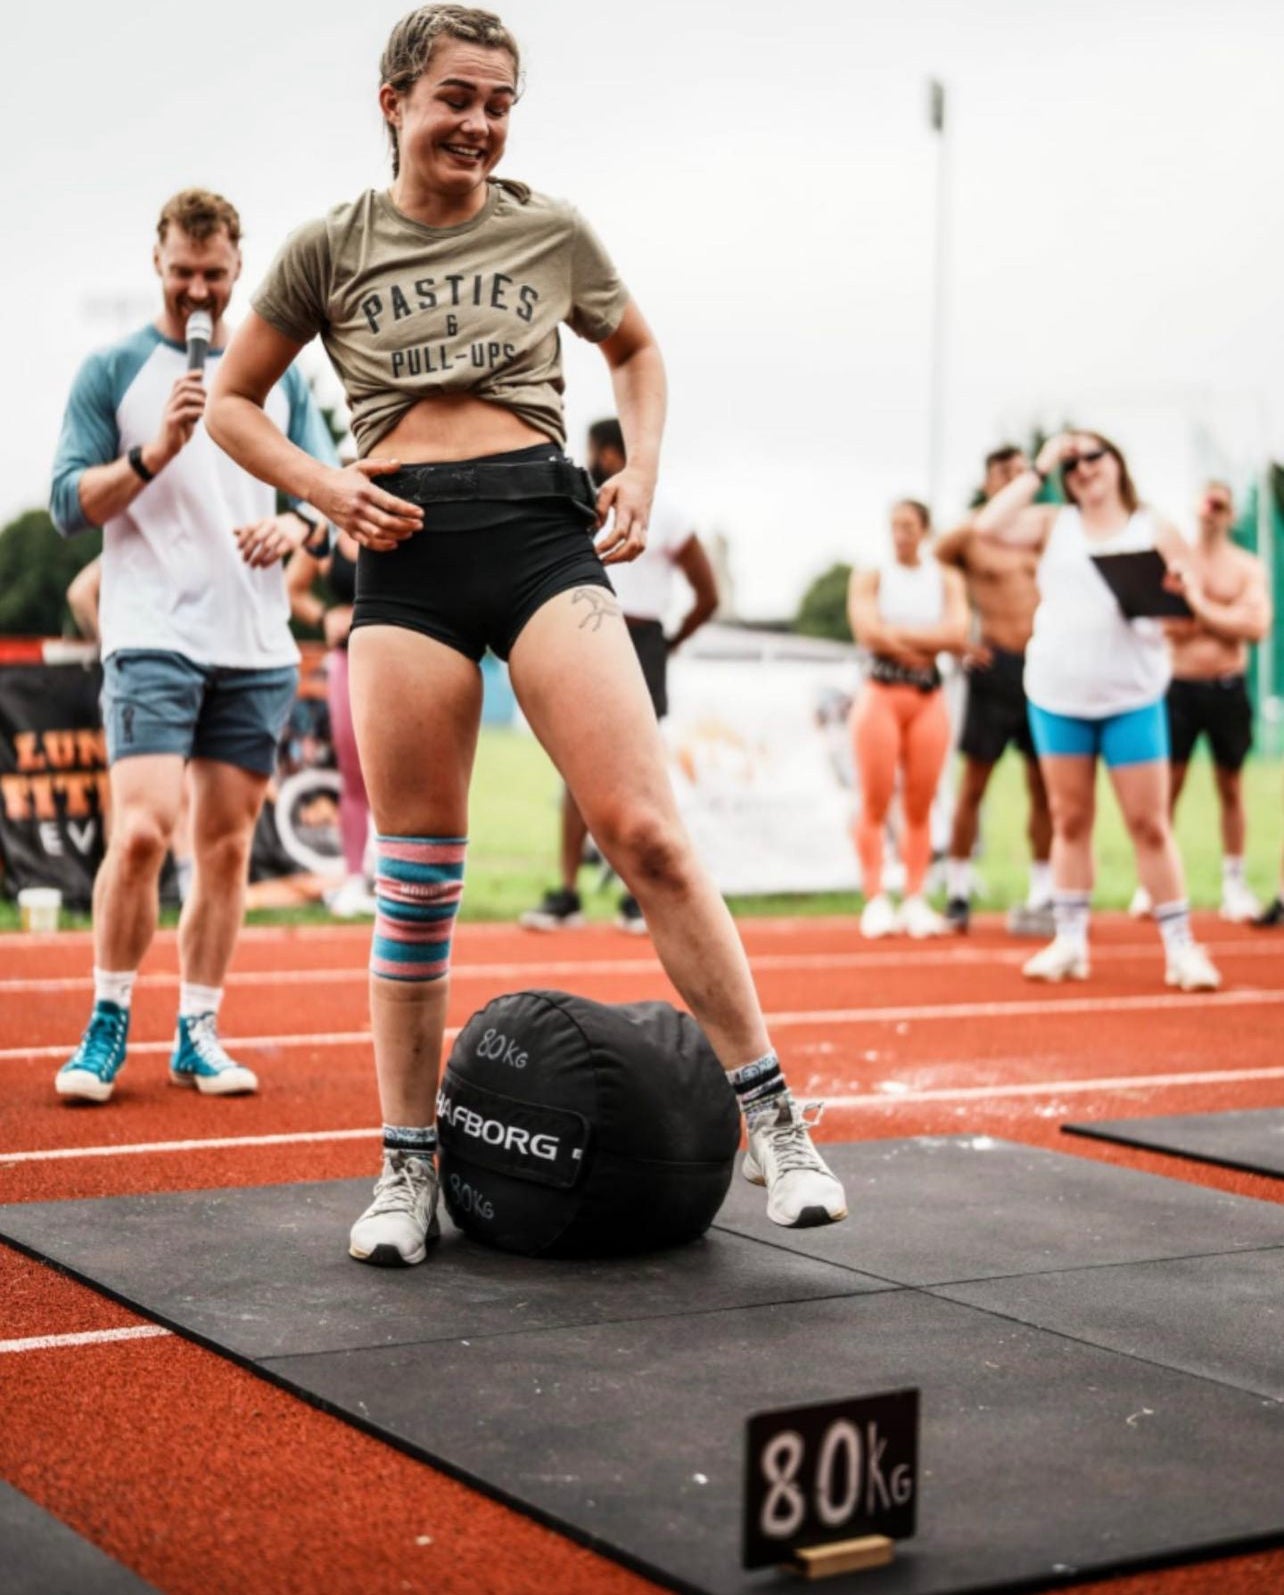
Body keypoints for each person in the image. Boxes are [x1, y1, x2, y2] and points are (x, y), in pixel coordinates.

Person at [207, 4, 846, 1264]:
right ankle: (406, 1170)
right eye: (457, 98)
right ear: (393, 100)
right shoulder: (326, 246)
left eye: (500, 102)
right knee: (418, 883)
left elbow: (638, 348)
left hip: (541, 531)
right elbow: (233, 402)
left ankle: (776, 1118)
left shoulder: (550, 227)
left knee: (650, 833)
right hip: (401, 553)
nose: (482, 124)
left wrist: (644, 472)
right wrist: (326, 490)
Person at [49, 187, 340, 1104]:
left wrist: (298, 530)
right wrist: (154, 452)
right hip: (151, 634)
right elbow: (67, 505)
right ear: (157, 264)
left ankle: (199, 1030)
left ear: (238, 270)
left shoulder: (281, 372)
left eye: (214, 276)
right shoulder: (113, 370)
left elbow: (331, 494)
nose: (198, 292)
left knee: (223, 850)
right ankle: (107, 1020)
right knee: (139, 833)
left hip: (253, 642)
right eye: (183, 274)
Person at [974, 431, 1220, 990]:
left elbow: (1190, 614)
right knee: (1069, 820)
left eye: (1093, 456)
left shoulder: (1153, 526)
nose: (1083, 468)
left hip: (1130, 696)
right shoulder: (1050, 522)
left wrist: (1179, 594)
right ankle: (1070, 942)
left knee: (1148, 824)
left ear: (1117, 461)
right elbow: (988, 526)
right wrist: (1040, 465)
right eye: (1073, 461)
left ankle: (1182, 949)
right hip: (1058, 695)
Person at [520, 416, 718, 935]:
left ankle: (638, 898)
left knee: (639, 775)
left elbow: (708, 593)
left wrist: (669, 643)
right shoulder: (579, 504)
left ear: (610, 454)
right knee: (574, 770)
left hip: (641, 639)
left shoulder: (667, 512)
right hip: (585, 629)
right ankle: (568, 894)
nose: (587, 459)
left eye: (592, 450)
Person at [1128, 482, 1271, 923]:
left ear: (1231, 514)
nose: (1211, 513)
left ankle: (1234, 883)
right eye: (1205, 504)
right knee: (1165, 788)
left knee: (1230, 787)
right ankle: (1151, 885)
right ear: (1194, 510)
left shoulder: (1247, 567)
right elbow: (1160, 625)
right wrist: (1217, 617)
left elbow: (1256, 626)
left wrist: (1199, 610)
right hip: (1178, 689)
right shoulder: (1174, 563)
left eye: (1220, 506)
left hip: (1227, 688)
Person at [935, 445, 1054, 935]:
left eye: (1021, 472)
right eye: (1003, 472)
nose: (1014, 479)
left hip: (1044, 666)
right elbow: (933, 566)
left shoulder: (1045, 530)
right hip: (994, 665)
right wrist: (956, 637)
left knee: (1044, 785)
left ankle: (1044, 894)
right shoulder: (971, 535)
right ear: (988, 482)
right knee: (974, 784)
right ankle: (959, 892)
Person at [847, 500, 969, 939]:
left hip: (927, 696)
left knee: (921, 801)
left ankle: (915, 897)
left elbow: (957, 633)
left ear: (925, 530)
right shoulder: (872, 573)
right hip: (880, 692)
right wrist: (924, 645)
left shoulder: (946, 578)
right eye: (894, 525)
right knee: (875, 799)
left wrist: (898, 637)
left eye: (909, 526)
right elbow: (868, 632)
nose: (900, 534)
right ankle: (875, 897)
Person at [286, 529, 377, 917]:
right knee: (353, 772)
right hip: (347, 660)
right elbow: (292, 588)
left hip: (403, 658)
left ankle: (408, 879)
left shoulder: (408, 507)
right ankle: (356, 879)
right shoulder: (328, 529)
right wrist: (326, 615)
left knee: (408, 775)